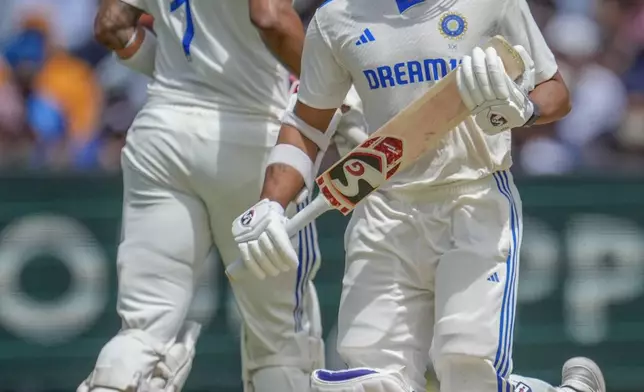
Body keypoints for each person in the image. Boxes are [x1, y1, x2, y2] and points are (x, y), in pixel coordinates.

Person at [231, 1, 605, 392]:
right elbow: (308, 123)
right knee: (370, 383)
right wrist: (272, 203)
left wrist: (523, 109)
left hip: (472, 199)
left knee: (468, 376)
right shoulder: (335, 18)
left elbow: (556, 90)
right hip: (382, 208)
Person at [77, 0, 363, 391]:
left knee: (143, 331)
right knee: (281, 342)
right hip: (253, 136)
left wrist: (168, 70)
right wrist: (337, 98)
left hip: (162, 131)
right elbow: (270, 16)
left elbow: (110, 24)